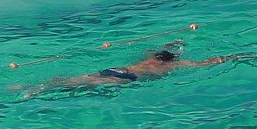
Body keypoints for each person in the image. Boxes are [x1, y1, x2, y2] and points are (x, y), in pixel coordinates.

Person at [38, 41, 242, 92]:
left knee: (79, 79)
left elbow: (156, 49)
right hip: (127, 78)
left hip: (118, 69)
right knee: (86, 85)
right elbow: (204, 63)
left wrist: (173, 44)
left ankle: (36, 86)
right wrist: (233, 57)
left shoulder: (149, 57)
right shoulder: (174, 65)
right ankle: (41, 90)